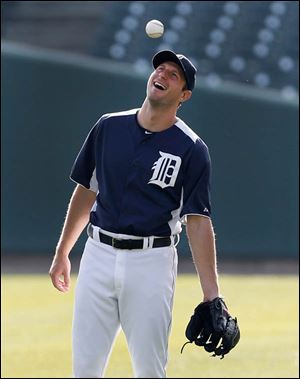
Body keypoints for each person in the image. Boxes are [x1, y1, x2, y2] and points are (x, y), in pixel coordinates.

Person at [49, 50, 220, 378]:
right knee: (84, 370)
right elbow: (87, 190)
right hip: (97, 255)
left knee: (149, 371)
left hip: (151, 262)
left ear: (184, 95)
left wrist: (211, 293)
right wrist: (63, 251)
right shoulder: (108, 127)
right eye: (161, 68)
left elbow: (198, 221)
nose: (163, 74)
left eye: (174, 74)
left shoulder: (192, 148)